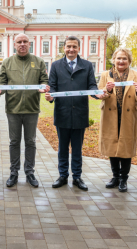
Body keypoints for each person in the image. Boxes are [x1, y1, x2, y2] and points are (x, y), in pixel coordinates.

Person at [0, 33, 49, 188]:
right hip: (13, 109)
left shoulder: (38, 62)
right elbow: (2, 83)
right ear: (14, 45)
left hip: (32, 109)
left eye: (25, 42)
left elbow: (44, 81)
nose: (22, 44)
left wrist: (44, 87)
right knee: (14, 142)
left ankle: (29, 172)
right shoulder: (7, 62)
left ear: (29, 44)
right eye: (19, 42)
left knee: (30, 141)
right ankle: (14, 172)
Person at [45, 36, 102, 191]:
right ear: (64, 48)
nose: (71, 49)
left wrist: (97, 94)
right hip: (62, 112)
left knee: (77, 148)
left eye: (74, 47)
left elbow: (91, 85)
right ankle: (63, 175)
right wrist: (51, 96)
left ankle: (77, 177)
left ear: (79, 48)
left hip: (80, 113)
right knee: (62, 148)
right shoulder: (56, 65)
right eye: (68, 46)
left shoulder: (87, 65)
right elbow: (53, 86)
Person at [98, 48, 137, 192]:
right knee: (113, 144)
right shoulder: (106, 75)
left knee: (125, 145)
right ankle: (115, 177)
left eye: (124, 59)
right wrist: (107, 90)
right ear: (113, 60)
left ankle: (124, 178)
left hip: (128, 115)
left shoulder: (136, 75)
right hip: (110, 114)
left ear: (129, 61)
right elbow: (100, 94)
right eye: (118, 58)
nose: (121, 61)